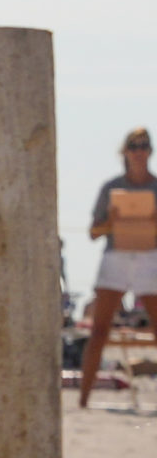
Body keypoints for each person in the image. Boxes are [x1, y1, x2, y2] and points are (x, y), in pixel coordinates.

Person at [79, 127, 157, 410]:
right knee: (99, 331)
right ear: (125, 152)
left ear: (150, 151)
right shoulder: (110, 188)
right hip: (117, 256)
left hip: (149, 257)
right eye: (134, 146)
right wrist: (111, 221)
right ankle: (84, 400)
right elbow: (93, 232)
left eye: (144, 145)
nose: (139, 151)